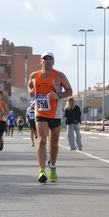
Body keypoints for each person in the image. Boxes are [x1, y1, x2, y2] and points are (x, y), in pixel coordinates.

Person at [28, 51, 73, 183]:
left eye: (50, 59)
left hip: (55, 113)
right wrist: (30, 91)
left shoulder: (59, 76)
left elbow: (70, 91)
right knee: (42, 140)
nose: (47, 61)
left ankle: (52, 167)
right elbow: (30, 85)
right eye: (45, 59)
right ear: (40, 61)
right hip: (40, 111)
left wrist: (58, 96)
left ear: (53, 62)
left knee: (53, 143)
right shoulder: (34, 75)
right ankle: (42, 170)